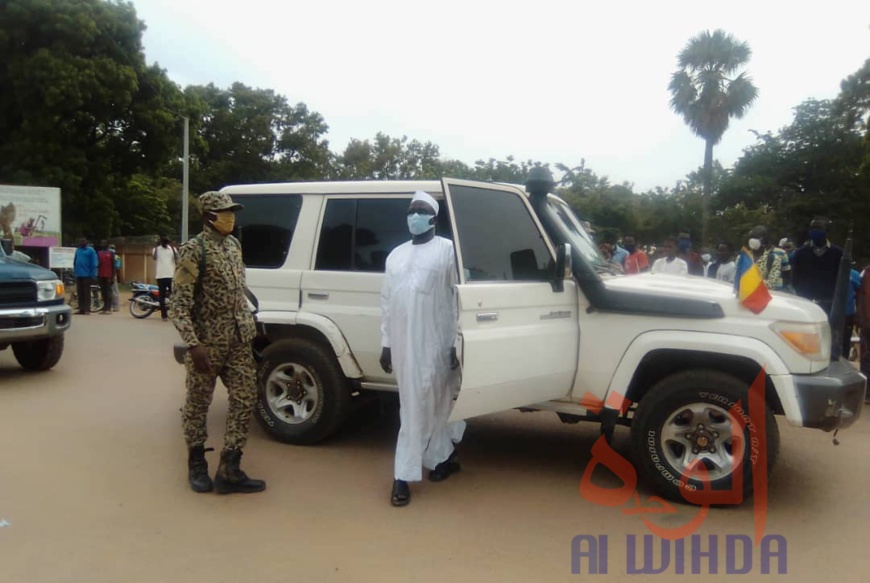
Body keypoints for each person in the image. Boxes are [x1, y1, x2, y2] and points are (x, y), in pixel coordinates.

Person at [169, 191, 265, 495]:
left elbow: (238, 290)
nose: (230, 217)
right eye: (224, 212)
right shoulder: (193, 251)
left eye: (232, 211)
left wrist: (251, 322)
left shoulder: (234, 246)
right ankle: (197, 463)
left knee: (245, 398)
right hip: (207, 344)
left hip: (238, 340)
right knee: (198, 404)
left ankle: (230, 467)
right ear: (208, 217)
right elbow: (179, 305)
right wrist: (193, 345)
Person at [380, 191, 465, 507]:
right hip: (404, 345)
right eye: (410, 210)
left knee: (439, 403)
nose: (413, 216)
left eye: (419, 210)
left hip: (437, 342)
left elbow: (458, 300)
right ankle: (420, 468)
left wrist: (456, 341)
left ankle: (424, 467)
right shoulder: (395, 255)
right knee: (413, 406)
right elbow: (387, 302)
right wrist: (386, 344)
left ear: (433, 217)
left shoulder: (448, 252)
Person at [791, 218, 844, 315]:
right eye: (813, 229)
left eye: (819, 228)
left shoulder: (838, 254)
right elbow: (795, 278)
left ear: (826, 231)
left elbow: (841, 281)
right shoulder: (800, 253)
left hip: (829, 304)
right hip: (805, 303)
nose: (815, 232)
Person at [747, 226, 790, 291]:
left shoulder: (776, 257)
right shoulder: (743, 257)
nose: (752, 240)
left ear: (764, 240)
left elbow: (786, 275)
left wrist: (748, 282)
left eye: (756, 238)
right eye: (751, 238)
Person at [153, 235, 178, 321]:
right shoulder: (157, 249)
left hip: (171, 275)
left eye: (166, 242)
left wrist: (172, 246)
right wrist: (156, 246)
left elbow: (176, 259)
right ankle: (164, 315)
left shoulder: (172, 249)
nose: (164, 244)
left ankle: (174, 313)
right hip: (160, 275)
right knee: (162, 296)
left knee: (174, 295)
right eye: (163, 242)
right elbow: (154, 257)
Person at [72, 237, 98, 315]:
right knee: (80, 293)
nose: (82, 242)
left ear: (86, 242)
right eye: (80, 241)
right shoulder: (78, 250)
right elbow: (75, 261)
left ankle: (87, 309)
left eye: (83, 241)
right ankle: (81, 308)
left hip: (87, 274)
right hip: (78, 274)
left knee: (86, 293)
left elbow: (94, 263)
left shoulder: (90, 250)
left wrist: (92, 274)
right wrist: (75, 271)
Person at [96, 240, 116, 314]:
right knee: (103, 292)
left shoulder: (111, 253)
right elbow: (98, 265)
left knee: (108, 292)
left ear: (107, 245)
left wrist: (112, 277)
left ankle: (108, 308)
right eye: (102, 243)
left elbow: (113, 266)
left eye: (104, 243)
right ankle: (104, 307)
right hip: (101, 275)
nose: (102, 244)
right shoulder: (99, 253)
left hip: (108, 275)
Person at [110, 245, 121, 311]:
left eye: (112, 248)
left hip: (113, 275)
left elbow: (117, 267)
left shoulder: (116, 257)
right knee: (109, 291)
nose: (111, 250)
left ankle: (116, 306)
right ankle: (110, 305)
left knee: (114, 291)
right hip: (108, 275)